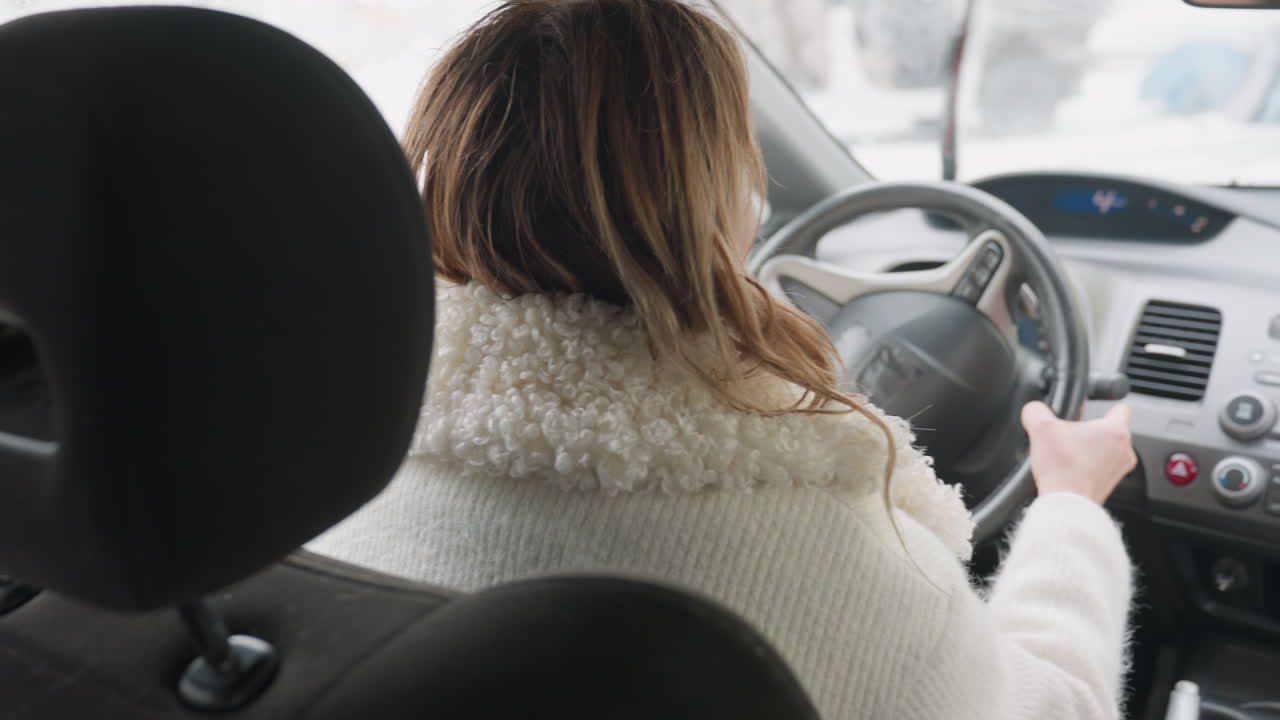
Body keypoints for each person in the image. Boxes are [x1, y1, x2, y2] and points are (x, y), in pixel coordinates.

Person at [309, 1, 1137, 717]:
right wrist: (1072, 507)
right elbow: (1057, 706)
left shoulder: (333, 469)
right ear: (712, 204)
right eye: (745, 167)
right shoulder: (823, 550)